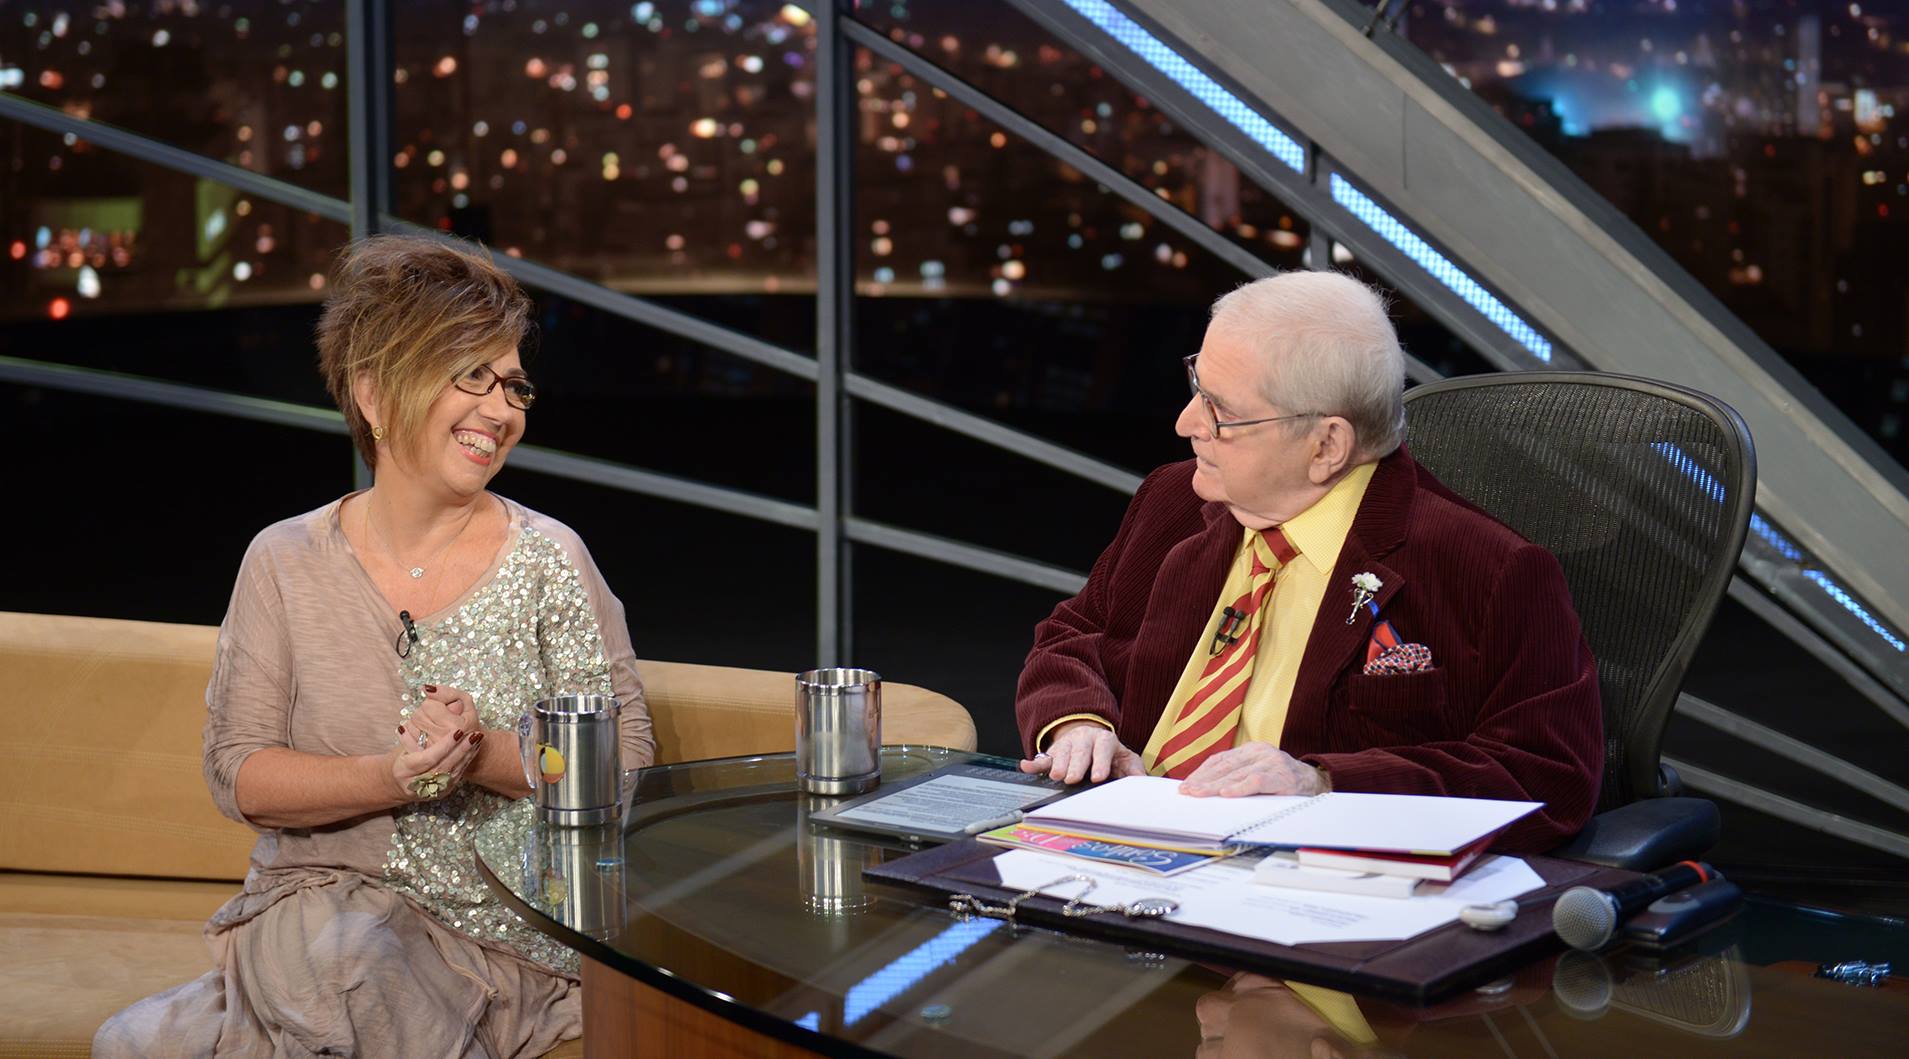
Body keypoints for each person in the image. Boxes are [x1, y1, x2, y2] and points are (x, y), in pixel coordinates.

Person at [94, 236, 655, 1058]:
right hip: (322, 906)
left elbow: (630, 763)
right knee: (323, 967)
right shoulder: (283, 559)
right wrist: (392, 778)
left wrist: (481, 754)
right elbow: (239, 771)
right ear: (375, 395)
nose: (502, 410)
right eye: (472, 376)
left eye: (513, 385)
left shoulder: (551, 559)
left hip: (504, 938)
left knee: (169, 1038)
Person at [1016, 271, 1601, 852]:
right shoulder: (1173, 500)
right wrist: (1078, 723)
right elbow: (1075, 633)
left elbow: (1546, 776)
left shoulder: (1491, 569)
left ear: (1326, 446)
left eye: (1220, 412)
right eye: (1197, 387)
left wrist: (1322, 784)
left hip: (1294, 881)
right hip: (1119, 843)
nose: (1187, 424)